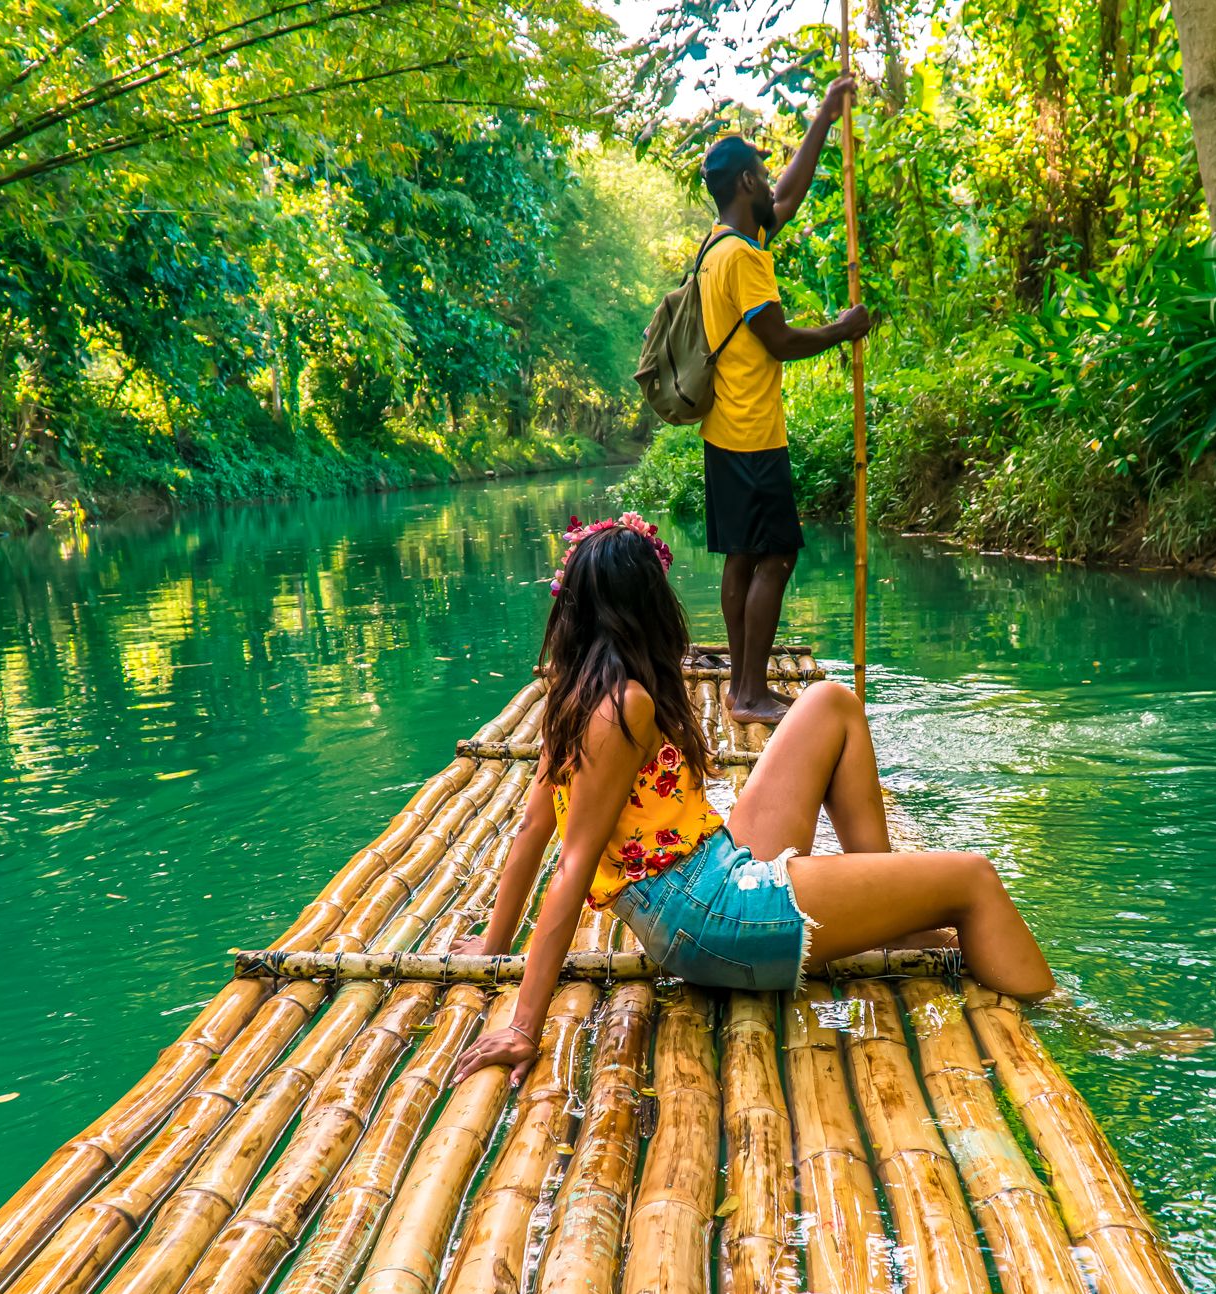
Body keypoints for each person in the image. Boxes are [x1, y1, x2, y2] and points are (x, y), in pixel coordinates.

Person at [451, 515, 1053, 1088]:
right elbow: (571, 863)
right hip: (708, 915)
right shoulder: (623, 705)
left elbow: (532, 826)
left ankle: (893, 912)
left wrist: (496, 942)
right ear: (649, 608)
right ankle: (1069, 1022)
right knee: (975, 880)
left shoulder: (577, 695)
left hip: (706, 877)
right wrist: (524, 1025)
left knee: (830, 704)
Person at [696, 79, 873, 726]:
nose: (772, 184)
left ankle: (746, 684)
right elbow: (778, 339)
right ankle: (749, 693)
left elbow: (790, 194)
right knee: (776, 554)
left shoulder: (720, 246)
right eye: (762, 175)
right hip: (751, 431)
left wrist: (824, 117)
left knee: (743, 556)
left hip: (725, 431)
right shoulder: (743, 259)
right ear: (745, 183)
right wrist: (842, 329)